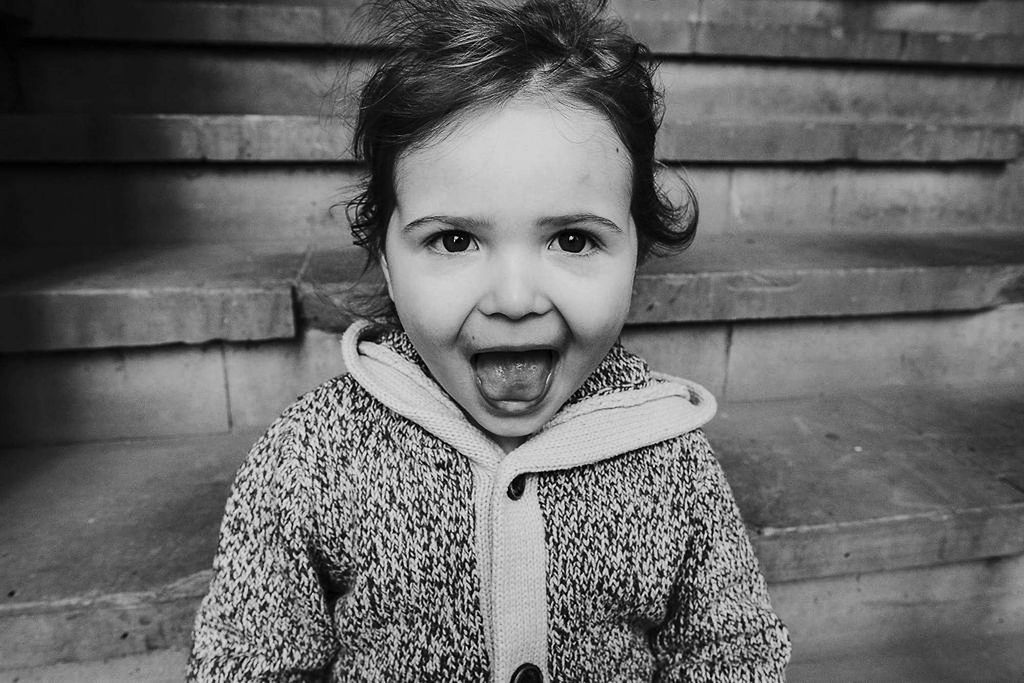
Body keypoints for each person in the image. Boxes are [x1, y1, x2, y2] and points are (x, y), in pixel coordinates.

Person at [187, 0, 791, 680]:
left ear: (636, 252)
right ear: (386, 258)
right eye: (453, 239)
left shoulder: (674, 460)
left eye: (572, 239)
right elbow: (244, 660)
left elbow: (732, 650)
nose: (513, 299)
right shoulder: (309, 456)